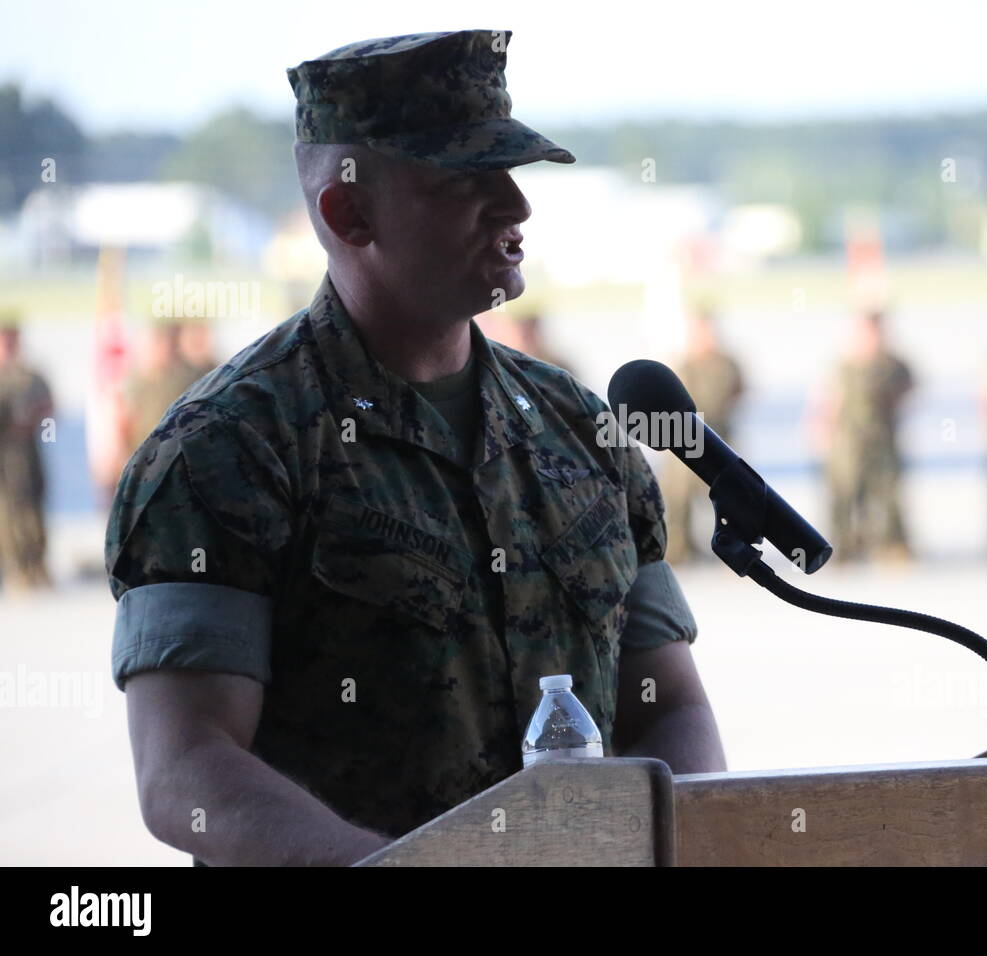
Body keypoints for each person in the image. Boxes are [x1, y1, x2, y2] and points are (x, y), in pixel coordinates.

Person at [104, 30, 725, 867]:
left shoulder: (582, 432)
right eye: (465, 181)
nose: (516, 206)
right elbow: (187, 771)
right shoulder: (229, 449)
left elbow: (666, 706)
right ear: (349, 212)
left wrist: (678, 848)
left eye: (511, 172)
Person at [819, 310, 913, 562]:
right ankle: (844, 546)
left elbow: (908, 393)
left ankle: (894, 545)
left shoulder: (894, 366)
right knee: (845, 492)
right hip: (848, 440)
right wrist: (822, 429)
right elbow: (830, 399)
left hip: (883, 439)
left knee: (888, 492)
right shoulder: (845, 366)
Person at [661, 309, 745, 564]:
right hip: (686, 438)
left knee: (733, 495)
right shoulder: (684, 364)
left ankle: (735, 548)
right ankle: (679, 548)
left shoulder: (728, 363)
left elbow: (739, 391)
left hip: (720, 436)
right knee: (677, 492)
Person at [0, 314, 55, 592]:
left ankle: (38, 566)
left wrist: (39, 427)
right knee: (8, 513)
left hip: (29, 451)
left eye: (11, 339)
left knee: (34, 508)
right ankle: (16, 569)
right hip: (4, 455)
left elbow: (50, 416)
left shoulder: (32, 377)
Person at [121, 319, 211, 454]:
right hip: (144, 453)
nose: (159, 348)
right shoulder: (137, 382)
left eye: (163, 342)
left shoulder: (184, 379)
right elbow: (127, 423)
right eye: (155, 343)